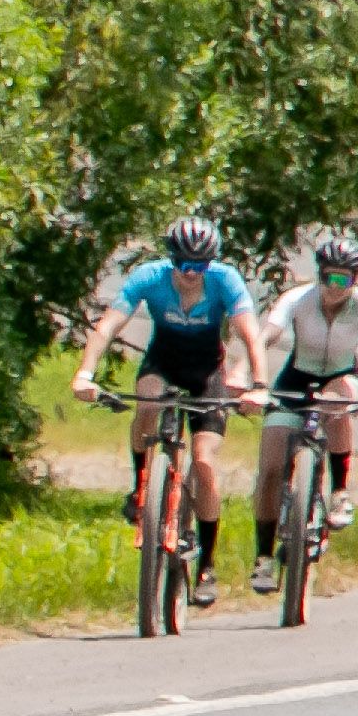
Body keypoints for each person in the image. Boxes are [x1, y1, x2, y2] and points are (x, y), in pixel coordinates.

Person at [71, 214, 262, 608]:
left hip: (207, 373)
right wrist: (85, 374)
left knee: (204, 463)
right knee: (147, 402)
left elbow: (250, 332)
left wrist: (259, 384)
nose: (191, 273)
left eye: (200, 266)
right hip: (163, 362)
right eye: (184, 264)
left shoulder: (225, 280)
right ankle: (141, 484)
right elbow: (108, 326)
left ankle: (207, 566)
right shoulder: (149, 276)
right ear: (171, 259)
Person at [246, 230, 358, 591]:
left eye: (343, 280)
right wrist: (246, 378)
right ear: (319, 274)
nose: (334, 287)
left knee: (336, 401)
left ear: (355, 280)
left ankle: (339, 492)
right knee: (270, 468)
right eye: (328, 277)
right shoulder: (298, 299)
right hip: (296, 378)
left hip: (342, 377)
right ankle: (264, 556)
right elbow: (265, 337)